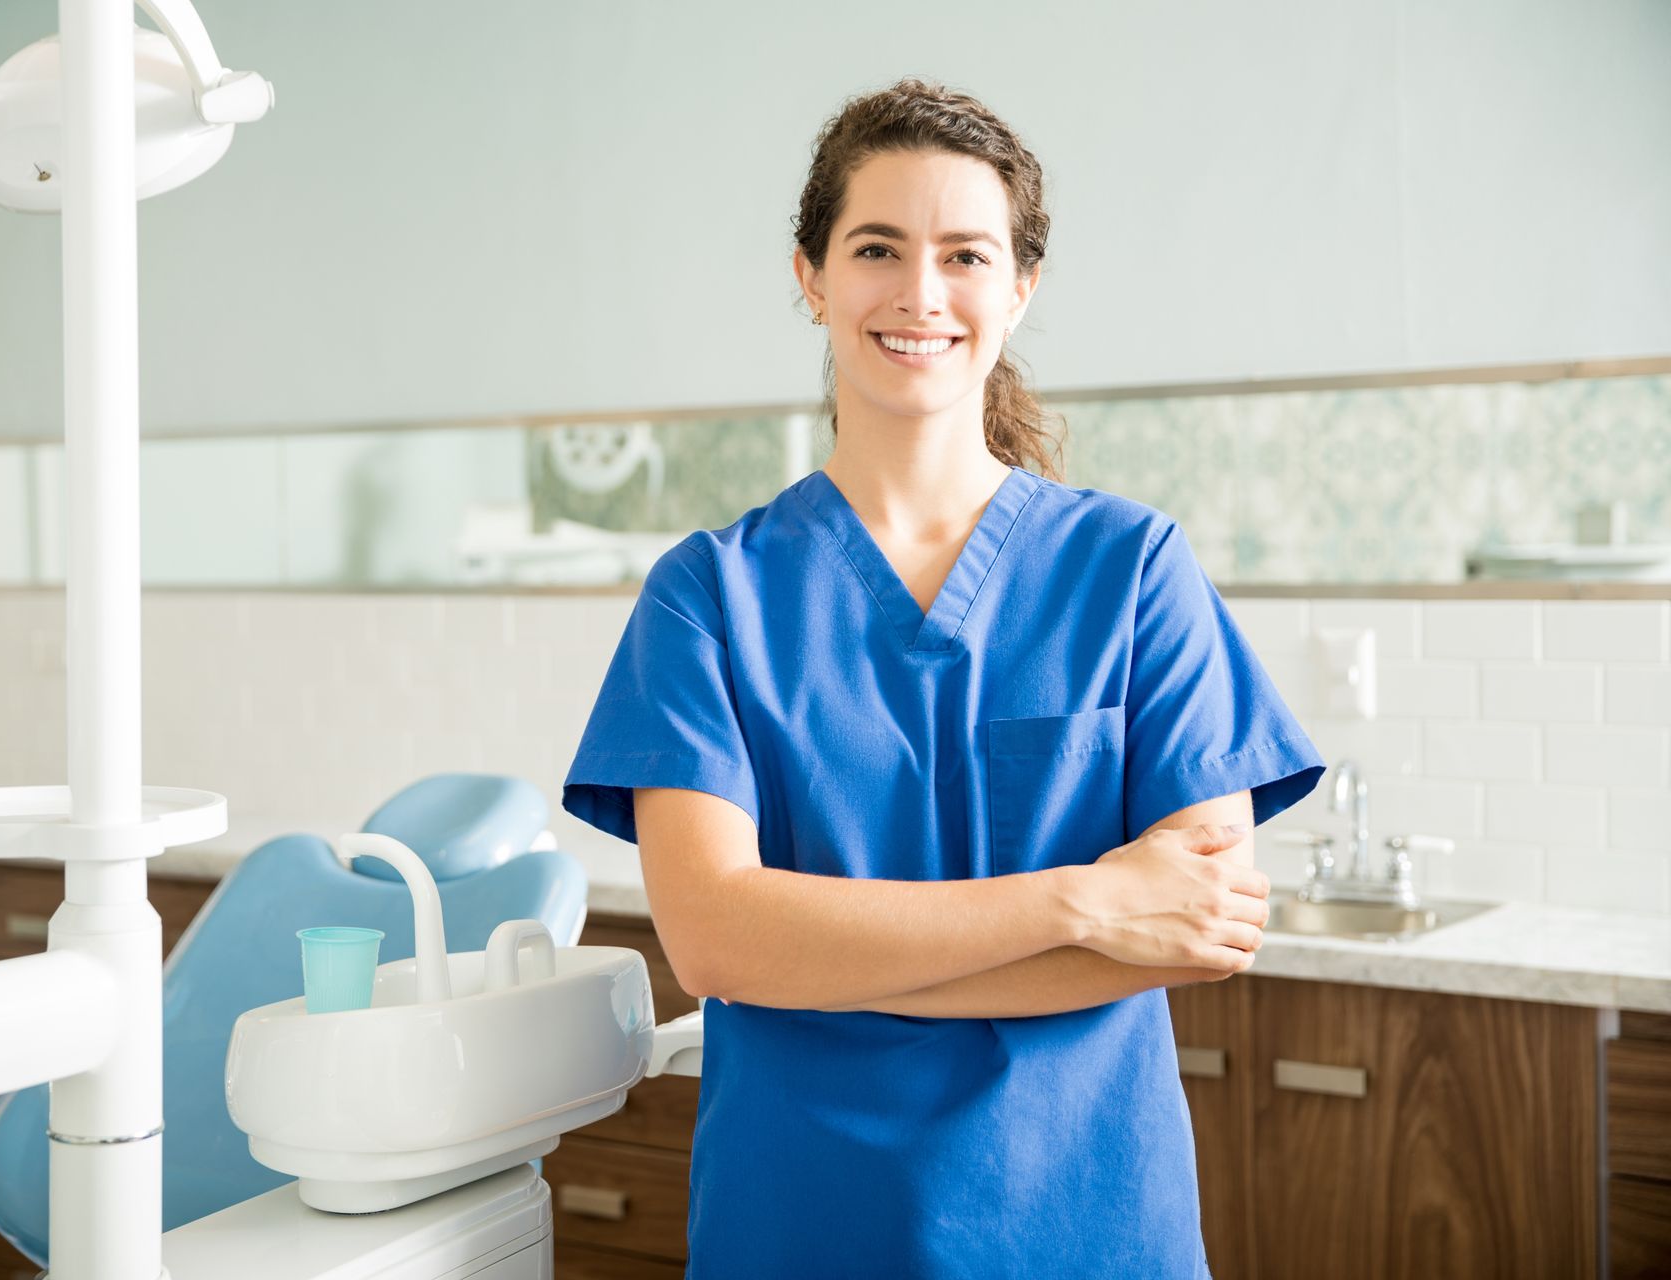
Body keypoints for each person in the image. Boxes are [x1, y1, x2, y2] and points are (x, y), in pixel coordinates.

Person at [561, 77, 1324, 1280]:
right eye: (876, 247)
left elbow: (1195, 926)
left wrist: (826, 951)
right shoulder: (706, 594)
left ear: (1020, 286)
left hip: (1083, 1222)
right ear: (810, 276)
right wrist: (1086, 901)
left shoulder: (1131, 570)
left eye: (966, 253)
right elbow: (713, 939)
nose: (920, 293)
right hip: (805, 1222)